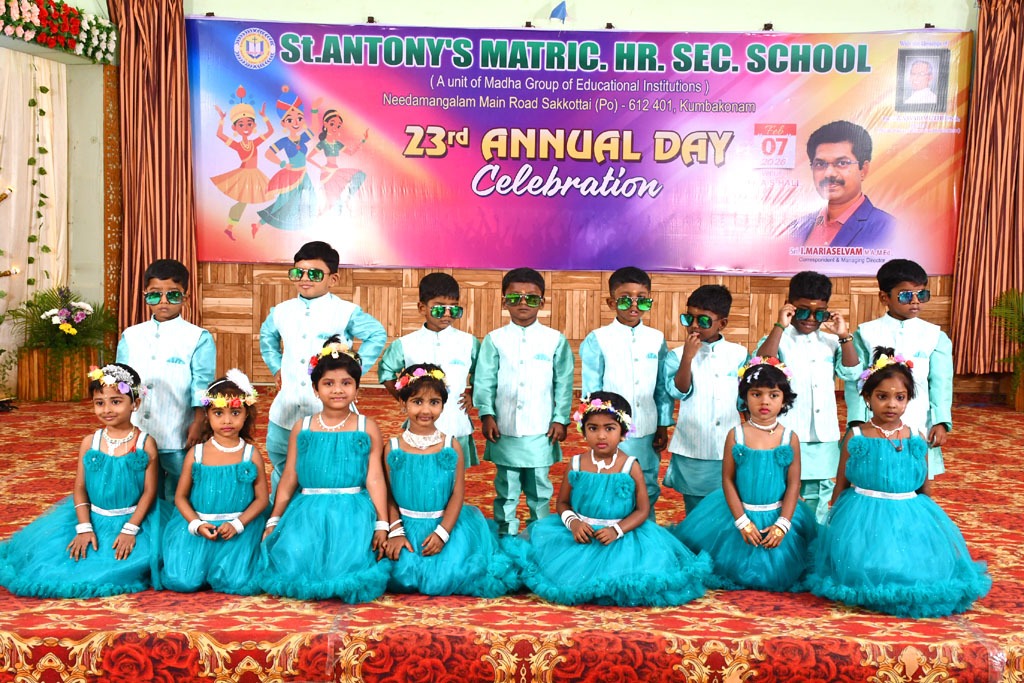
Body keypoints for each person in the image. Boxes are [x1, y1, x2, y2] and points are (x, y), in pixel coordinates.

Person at [809, 348, 990, 617]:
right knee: (860, 567)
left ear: (908, 399)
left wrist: (929, 526)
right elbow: (842, 481)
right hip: (861, 515)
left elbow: (924, 488)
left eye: (900, 397)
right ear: (867, 397)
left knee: (918, 569)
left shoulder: (915, 437)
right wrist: (834, 515)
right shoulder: (856, 435)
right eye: (882, 397)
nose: (891, 404)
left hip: (907, 512)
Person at [505, 392, 711, 606]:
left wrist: (617, 530)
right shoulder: (576, 464)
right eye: (593, 428)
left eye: (609, 428)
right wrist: (574, 523)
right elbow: (563, 503)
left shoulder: (630, 466)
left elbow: (642, 510)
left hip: (622, 536)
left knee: (635, 578)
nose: (601, 436)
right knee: (547, 569)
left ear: (623, 432)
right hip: (582, 533)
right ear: (583, 430)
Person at [0, 364, 162, 597]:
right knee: (56, 562)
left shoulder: (145, 443)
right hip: (92, 517)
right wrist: (84, 527)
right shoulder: (90, 442)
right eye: (99, 403)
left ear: (135, 403)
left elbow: (149, 492)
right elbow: (80, 488)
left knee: (120, 565)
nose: (107, 409)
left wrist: (130, 529)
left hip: (132, 520)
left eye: (116, 401)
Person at [260, 338, 391, 602]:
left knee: (347, 566)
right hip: (307, 510)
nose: (337, 390)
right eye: (328, 383)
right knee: (294, 562)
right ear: (315, 389)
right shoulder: (303, 427)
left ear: (357, 388)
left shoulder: (366, 427)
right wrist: (274, 519)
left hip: (353, 512)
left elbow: (375, 478)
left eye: (346, 383)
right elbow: (289, 477)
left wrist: (382, 522)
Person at [671, 359, 817, 591]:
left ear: (784, 399)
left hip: (777, 513)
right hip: (738, 513)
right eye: (756, 394)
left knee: (792, 566)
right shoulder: (736, 435)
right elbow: (728, 480)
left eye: (773, 395)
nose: (764, 401)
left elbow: (793, 484)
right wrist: (742, 521)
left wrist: (782, 524)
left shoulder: (789, 438)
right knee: (716, 563)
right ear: (745, 397)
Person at [259, 240, 386, 493]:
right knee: (283, 471)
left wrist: (353, 370)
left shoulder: (345, 311)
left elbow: (377, 334)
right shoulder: (281, 311)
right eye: (298, 272)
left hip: (329, 412)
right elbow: (266, 337)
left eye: (315, 274)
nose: (305, 279)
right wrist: (276, 367)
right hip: (285, 411)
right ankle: (281, 515)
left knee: (329, 471)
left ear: (333, 279)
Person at [382, 364, 519, 597]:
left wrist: (443, 533)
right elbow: (387, 494)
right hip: (405, 526)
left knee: (453, 571)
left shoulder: (451, 445)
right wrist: (395, 531)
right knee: (397, 572)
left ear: (443, 405)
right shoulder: (392, 447)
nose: (426, 410)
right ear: (403, 402)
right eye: (417, 402)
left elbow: (457, 494)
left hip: (445, 525)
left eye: (434, 402)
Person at [473, 267, 574, 535]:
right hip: (503, 427)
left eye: (531, 297)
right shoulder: (495, 339)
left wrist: (560, 418)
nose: (522, 303)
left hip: (542, 427)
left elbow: (564, 384)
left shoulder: (554, 340)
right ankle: (506, 533)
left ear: (542, 301)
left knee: (540, 488)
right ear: (504, 301)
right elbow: (484, 380)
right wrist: (487, 414)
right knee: (506, 487)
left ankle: (539, 534)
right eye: (514, 297)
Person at [755, 271, 861, 522]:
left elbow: (852, 372)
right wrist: (779, 326)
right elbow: (761, 365)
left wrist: (844, 335)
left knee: (819, 496)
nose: (811, 319)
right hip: (786, 430)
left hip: (822, 435)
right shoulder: (778, 339)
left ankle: (815, 539)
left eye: (819, 313)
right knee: (783, 492)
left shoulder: (831, 342)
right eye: (803, 312)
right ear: (789, 307)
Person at [116, 258, 216, 502]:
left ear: (185, 297)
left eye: (172, 295)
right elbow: (121, 383)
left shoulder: (198, 337)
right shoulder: (131, 336)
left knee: (179, 488)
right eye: (155, 295)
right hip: (137, 427)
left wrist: (199, 421)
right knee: (140, 488)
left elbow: (202, 385)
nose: (163, 301)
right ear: (145, 296)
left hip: (178, 428)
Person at [161, 370, 269, 595]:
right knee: (183, 581)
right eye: (218, 413)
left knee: (237, 582)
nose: (227, 420)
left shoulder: (250, 454)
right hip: (201, 527)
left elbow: (261, 499)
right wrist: (196, 524)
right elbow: (181, 497)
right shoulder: (197, 454)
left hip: (239, 530)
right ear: (207, 415)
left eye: (235, 412)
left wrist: (238, 524)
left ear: (246, 414)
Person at [843, 259, 952, 478]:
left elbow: (941, 383)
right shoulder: (866, 333)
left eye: (922, 295)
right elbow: (856, 382)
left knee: (915, 476)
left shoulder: (935, 336)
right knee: (874, 474)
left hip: (919, 418)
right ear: (884, 297)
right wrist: (856, 420)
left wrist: (941, 421)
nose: (915, 301)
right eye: (905, 295)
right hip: (875, 420)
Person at [579, 266, 673, 519]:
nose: (634, 305)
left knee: (647, 482)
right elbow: (591, 390)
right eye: (625, 299)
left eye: (642, 299)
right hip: (611, 429)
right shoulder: (598, 339)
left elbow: (661, 387)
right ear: (611, 302)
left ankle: (644, 528)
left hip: (647, 425)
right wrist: (594, 428)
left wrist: (663, 424)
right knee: (612, 480)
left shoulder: (656, 338)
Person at [378, 272, 480, 466]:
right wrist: (404, 398)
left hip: (456, 422)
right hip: (419, 423)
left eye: (453, 309)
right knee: (420, 469)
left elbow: (483, 374)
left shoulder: (469, 343)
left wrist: (473, 394)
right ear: (421, 307)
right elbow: (386, 372)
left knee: (455, 474)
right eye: (439, 309)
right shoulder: (406, 344)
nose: (447, 314)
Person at [662, 284, 749, 513]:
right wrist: (688, 358)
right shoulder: (676, 355)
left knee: (728, 507)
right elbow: (678, 391)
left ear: (722, 323)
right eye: (688, 318)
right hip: (693, 445)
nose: (694, 325)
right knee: (695, 508)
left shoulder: (738, 355)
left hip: (729, 444)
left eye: (703, 320)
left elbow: (745, 400)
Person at [784, 120, 895, 248]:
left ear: (863, 170)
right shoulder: (796, 228)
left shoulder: (889, 230)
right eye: (820, 164)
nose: (829, 174)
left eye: (842, 163)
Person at [254, 87, 319, 234]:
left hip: (303, 175)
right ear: (284, 123)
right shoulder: (284, 141)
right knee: (283, 201)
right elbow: (268, 153)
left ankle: (305, 227)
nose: (295, 122)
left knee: (308, 198)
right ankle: (259, 224)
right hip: (291, 175)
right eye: (290, 119)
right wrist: (282, 164)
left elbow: (314, 129)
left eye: (299, 118)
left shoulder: (302, 138)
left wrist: (314, 110)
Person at [211, 92, 273, 241]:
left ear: (254, 126)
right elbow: (219, 134)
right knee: (244, 201)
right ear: (234, 128)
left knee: (247, 201)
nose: (245, 127)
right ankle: (232, 227)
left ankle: (232, 227)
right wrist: (221, 119)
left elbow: (271, 131)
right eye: (241, 124)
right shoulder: (237, 145)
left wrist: (264, 116)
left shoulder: (254, 142)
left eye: (249, 124)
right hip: (244, 174)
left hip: (254, 174)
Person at [308, 107, 368, 214]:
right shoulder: (323, 143)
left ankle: (348, 199)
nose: (335, 127)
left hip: (336, 172)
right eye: (332, 124)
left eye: (338, 125)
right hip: (328, 174)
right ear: (325, 124)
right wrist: (321, 167)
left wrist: (362, 141)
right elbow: (309, 157)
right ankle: (320, 215)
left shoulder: (337, 143)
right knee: (331, 203)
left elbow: (350, 153)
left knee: (360, 175)